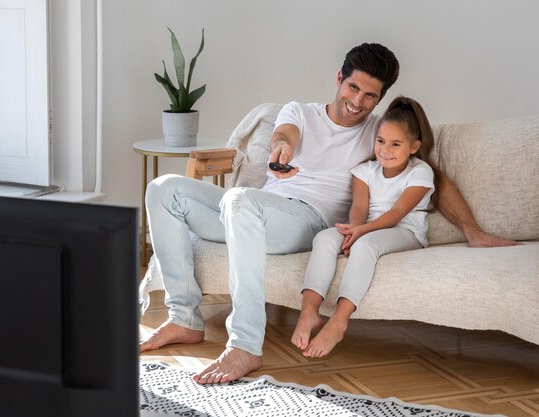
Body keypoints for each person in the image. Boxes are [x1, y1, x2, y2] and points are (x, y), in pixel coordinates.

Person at [139, 43, 517, 385]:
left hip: (305, 222)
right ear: (339, 79)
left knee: (239, 200)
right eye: (353, 88)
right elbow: (285, 135)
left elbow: (432, 174)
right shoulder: (300, 112)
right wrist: (280, 150)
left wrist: (472, 230)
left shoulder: (377, 132)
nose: (358, 101)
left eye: (370, 96)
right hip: (253, 216)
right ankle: (184, 319)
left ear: (380, 99)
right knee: (163, 189)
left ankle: (245, 345)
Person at [292, 96, 439, 358]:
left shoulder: (421, 172)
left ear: (414, 146)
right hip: (366, 228)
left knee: (366, 246)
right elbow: (359, 208)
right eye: (381, 141)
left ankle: (339, 320)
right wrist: (352, 231)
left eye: (396, 144)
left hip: (404, 232)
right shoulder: (364, 171)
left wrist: (362, 233)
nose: (385, 150)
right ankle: (309, 312)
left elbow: (397, 213)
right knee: (325, 238)